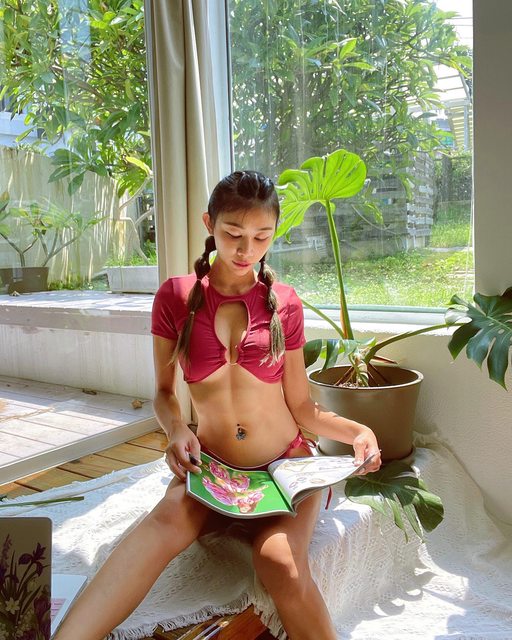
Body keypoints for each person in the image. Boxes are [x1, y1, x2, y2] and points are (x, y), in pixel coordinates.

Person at [54, 170, 381, 640]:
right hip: (213, 469)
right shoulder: (175, 296)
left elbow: (302, 406)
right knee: (161, 522)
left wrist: (358, 433)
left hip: (284, 468)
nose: (246, 249)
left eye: (262, 237)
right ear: (209, 224)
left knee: (278, 563)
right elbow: (165, 393)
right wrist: (176, 431)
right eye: (233, 233)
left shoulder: (284, 303)